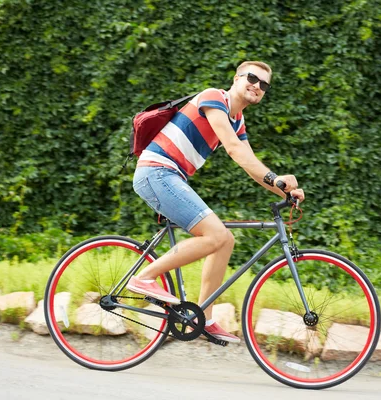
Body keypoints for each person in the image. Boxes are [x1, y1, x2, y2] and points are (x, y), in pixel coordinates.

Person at [128, 61, 305, 344]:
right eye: (252, 78)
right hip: (156, 172)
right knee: (215, 234)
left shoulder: (237, 120)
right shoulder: (214, 98)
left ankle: (204, 319)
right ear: (236, 79)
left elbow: (250, 165)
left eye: (264, 85)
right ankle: (144, 279)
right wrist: (277, 179)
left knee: (226, 240)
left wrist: (283, 192)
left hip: (171, 178)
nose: (257, 86)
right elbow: (234, 149)